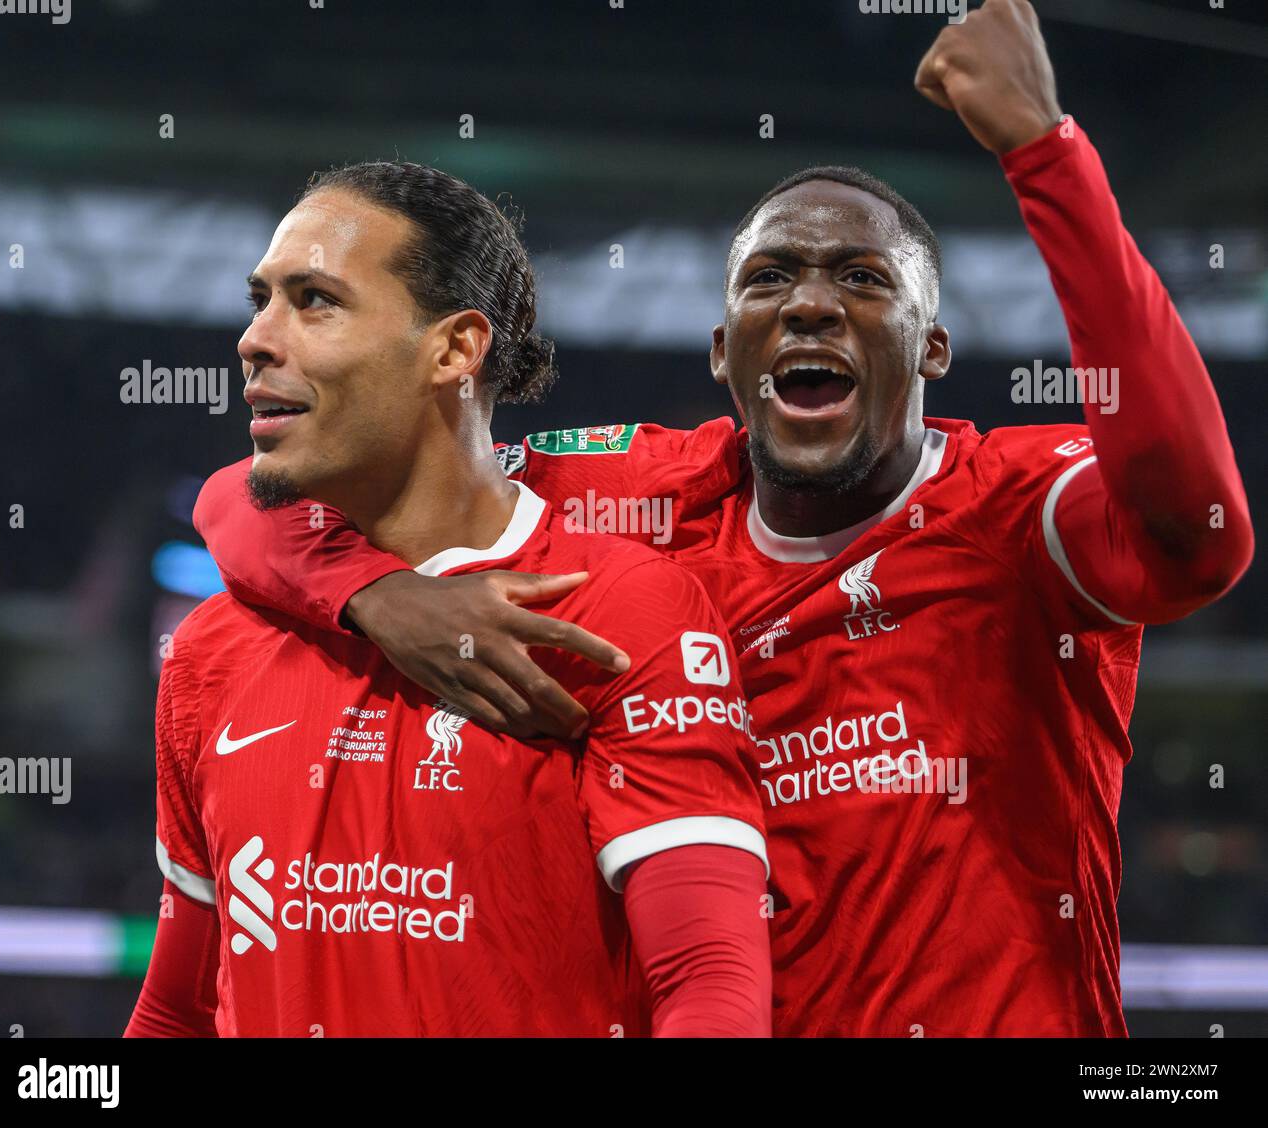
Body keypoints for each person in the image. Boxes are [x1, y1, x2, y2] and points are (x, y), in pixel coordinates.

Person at [191, 0, 1252, 1035]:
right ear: (722, 353)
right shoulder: (633, 492)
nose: (809, 304)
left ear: (933, 350)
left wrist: (1044, 153)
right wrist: (376, 594)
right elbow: (252, 493)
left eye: (863, 279)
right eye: (770, 279)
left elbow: (1200, 528)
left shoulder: (1020, 508)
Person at [126, 160, 772, 1037]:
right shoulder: (211, 647)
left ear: (456, 349)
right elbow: (173, 1013)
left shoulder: (616, 610)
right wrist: (380, 594)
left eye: (314, 300)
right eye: (260, 300)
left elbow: (710, 988)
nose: (255, 338)